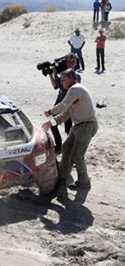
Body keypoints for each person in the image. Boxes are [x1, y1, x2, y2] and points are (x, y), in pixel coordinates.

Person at [43, 69, 98, 199]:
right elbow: (64, 115)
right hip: (78, 127)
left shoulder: (76, 88)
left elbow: (62, 106)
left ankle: (84, 182)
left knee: (77, 156)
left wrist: (50, 111)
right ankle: (62, 177)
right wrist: (50, 123)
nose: (61, 82)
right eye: (61, 80)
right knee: (65, 148)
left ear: (72, 78)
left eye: (63, 79)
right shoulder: (73, 93)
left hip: (86, 126)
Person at [48, 53, 78, 153]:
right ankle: (59, 144)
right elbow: (55, 86)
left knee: (68, 128)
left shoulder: (75, 76)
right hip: (60, 100)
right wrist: (50, 74)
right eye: (69, 61)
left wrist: (56, 74)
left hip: (68, 104)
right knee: (52, 122)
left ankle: (71, 148)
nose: (71, 63)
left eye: (73, 61)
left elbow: (63, 87)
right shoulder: (63, 74)